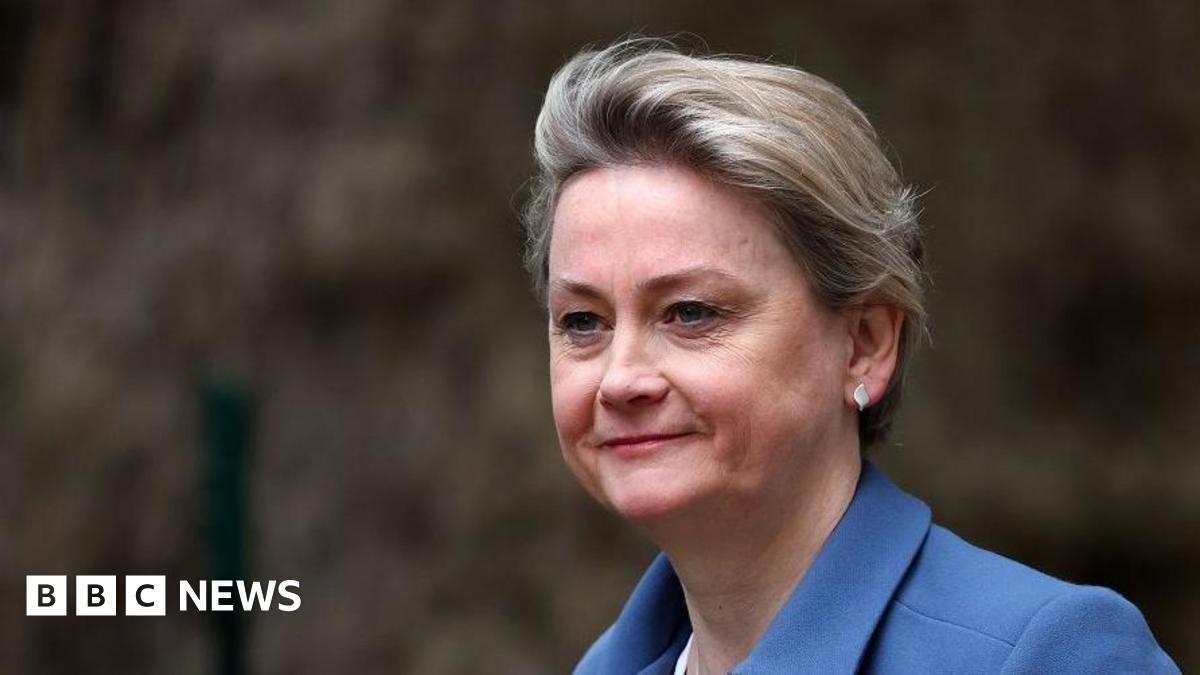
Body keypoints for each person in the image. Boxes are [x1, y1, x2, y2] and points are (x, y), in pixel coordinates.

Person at [518, 37, 1179, 674]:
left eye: (691, 312)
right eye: (583, 322)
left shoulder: (1045, 656)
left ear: (865, 345)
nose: (621, 379)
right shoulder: (605, 666)